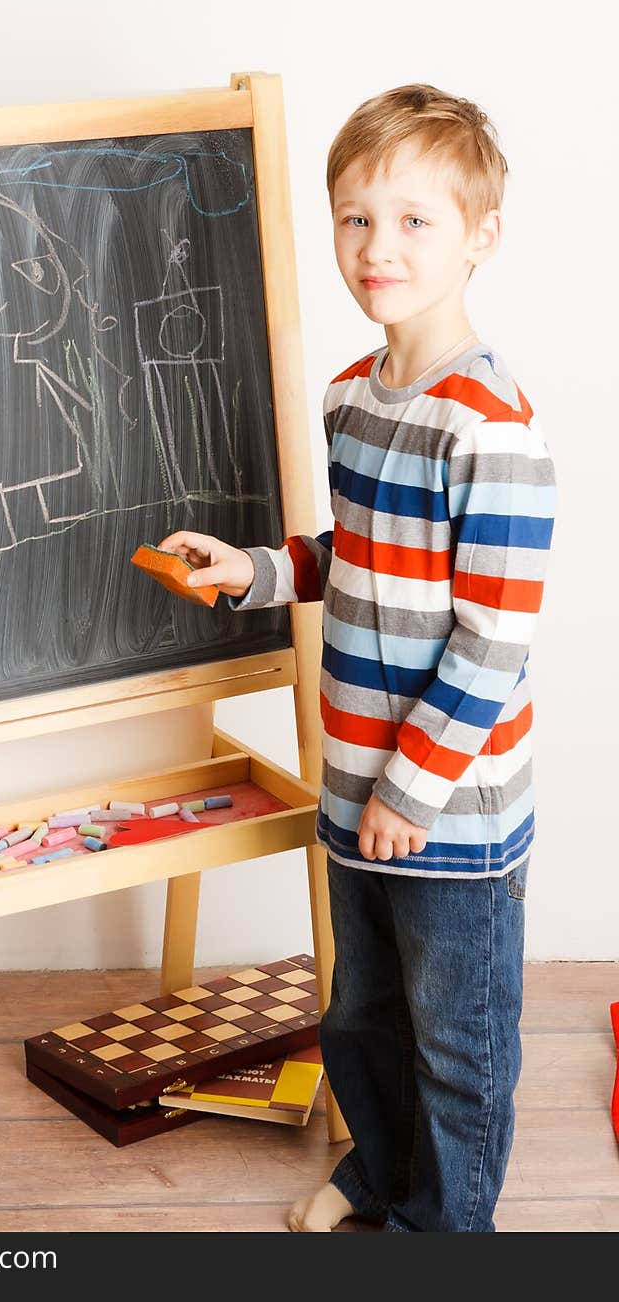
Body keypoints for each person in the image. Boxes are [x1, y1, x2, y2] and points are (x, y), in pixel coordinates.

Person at [157, 83, 557, 1232]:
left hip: (447, 809)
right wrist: (252, 569)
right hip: (357, 784)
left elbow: (492, 637)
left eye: (414, 220)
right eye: (353, 218)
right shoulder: (351, 397)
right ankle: (376, 1174)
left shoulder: (488, 426)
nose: (377, 248)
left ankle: (446, 1226)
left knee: (458, 1041)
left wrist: (409, 790)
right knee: (361, 1013)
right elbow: (353, 553)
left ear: (479, 234)